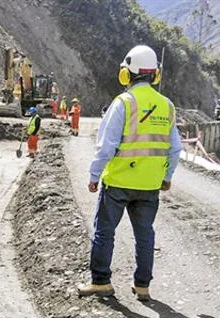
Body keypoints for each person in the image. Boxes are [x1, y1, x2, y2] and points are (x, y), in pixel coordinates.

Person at [78, 45, 183, 301]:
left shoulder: (123, 102)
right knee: (145, 234)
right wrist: (166, 178)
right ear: (155, 74)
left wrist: (94, 176)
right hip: (149, 186)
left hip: (118, 182)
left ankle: (101, 282)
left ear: (127, 73)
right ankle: (143, 286)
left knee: (105, 231)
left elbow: (106, 146)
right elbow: (175, 148)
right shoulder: (166, 106)